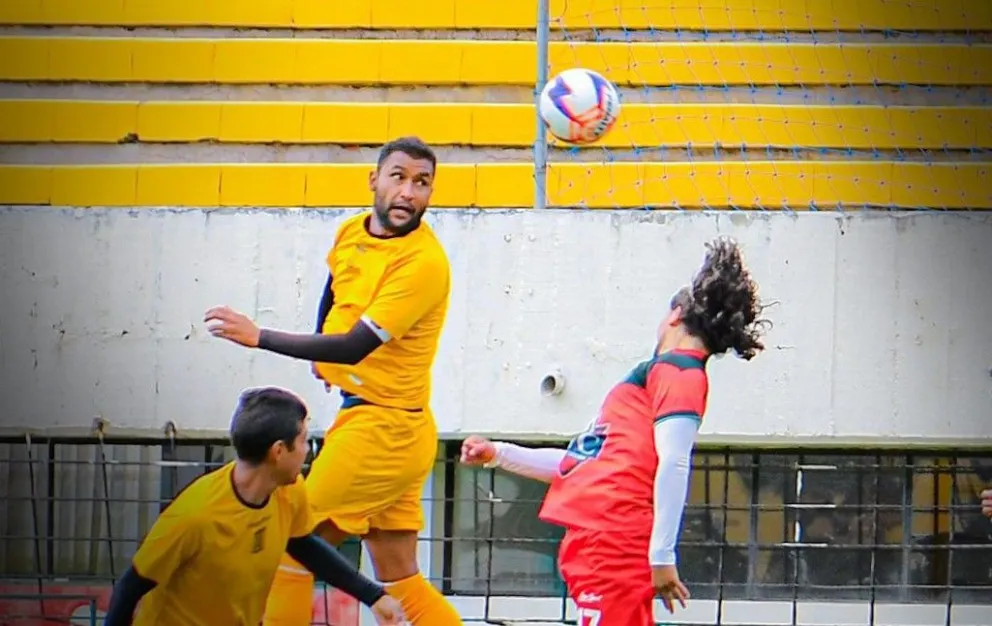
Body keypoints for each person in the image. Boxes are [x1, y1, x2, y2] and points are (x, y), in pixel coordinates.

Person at [203, 137, 461, 625]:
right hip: (389, 424)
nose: (409, 192)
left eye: (422, 183)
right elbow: (335, 288)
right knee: (400, 577)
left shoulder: (424, 263)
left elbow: (354, 346)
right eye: (399, 176)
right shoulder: (350, 232)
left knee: (292, 544)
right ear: (374, 180)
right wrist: (320, 355)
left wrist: (260, 337)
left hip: (382, 431)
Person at [461, 238, 771, 626]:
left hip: (612, 543)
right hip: (599, 541)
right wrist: (499, 453)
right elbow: (583, 463)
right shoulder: (654, 381)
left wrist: (662, 556)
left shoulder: (679, 373)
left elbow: (675, 462)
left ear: (675, 315)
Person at [103, 386, 406, 626]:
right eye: (302, 440)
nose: (308, 450)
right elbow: (130, 587)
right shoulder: (195, 517)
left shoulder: (288, 490)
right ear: (278, 451)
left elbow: (303, 545)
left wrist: (374, 597)